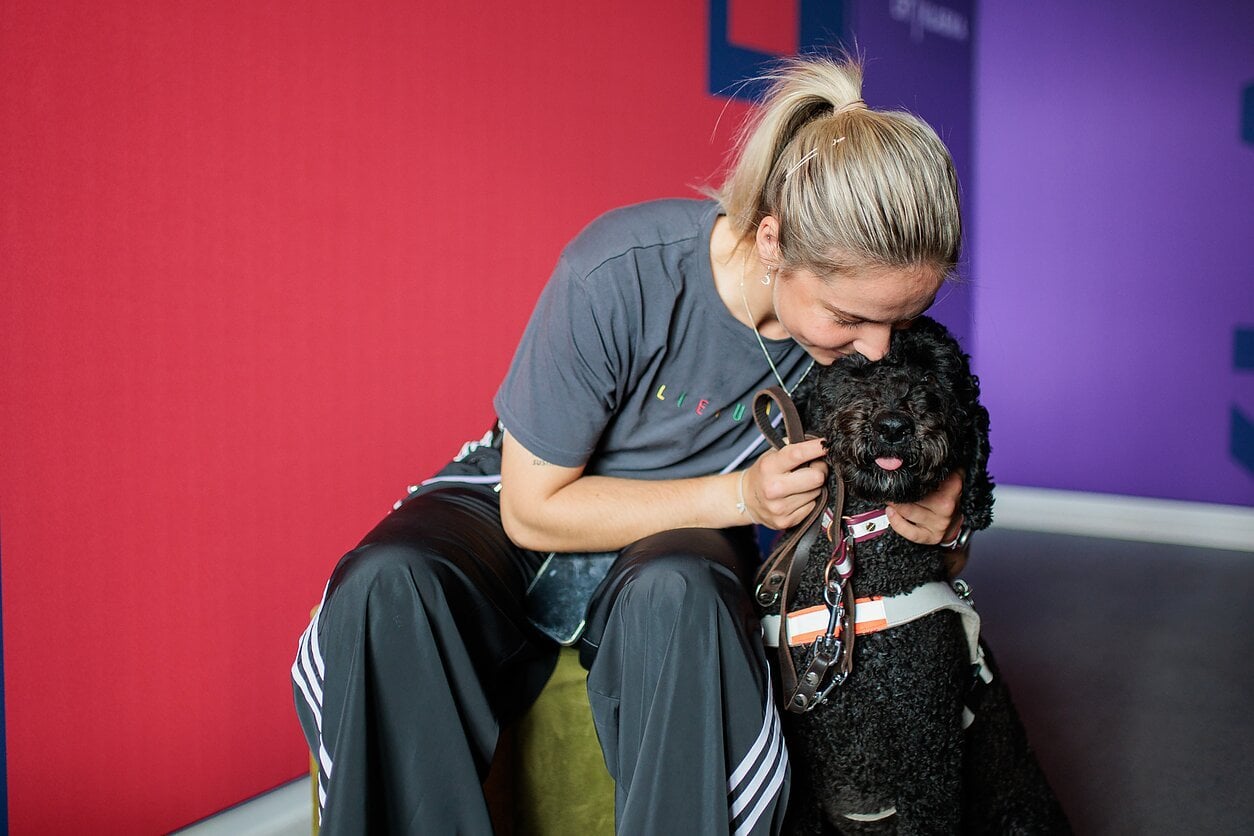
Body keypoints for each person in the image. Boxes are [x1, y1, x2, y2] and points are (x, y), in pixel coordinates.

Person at [292, 55, 969, 834]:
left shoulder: (867, 352)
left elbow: (920, 539)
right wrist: (741, 495)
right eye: (850, 318)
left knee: (680, 597)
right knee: (388, 581)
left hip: (675, 551)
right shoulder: (617, 271)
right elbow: (532, 509)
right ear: (774, 240)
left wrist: (946, 521)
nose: (877, 353)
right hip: (524, 501)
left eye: (903, 322)